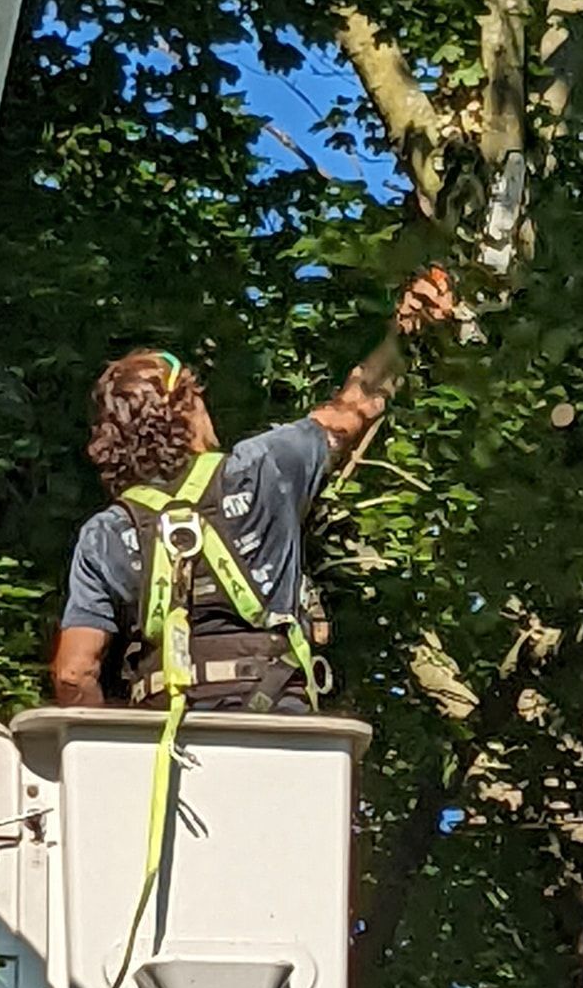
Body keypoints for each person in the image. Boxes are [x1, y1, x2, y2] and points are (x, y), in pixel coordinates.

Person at [51, 271, 456, 711]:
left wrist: (105, 749)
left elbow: (74, 673)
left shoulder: (105, 534)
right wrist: (405, 332)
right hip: (273, 723)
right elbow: (355, 409)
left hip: (165, 739)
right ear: (189, 411)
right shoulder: (264, 466)